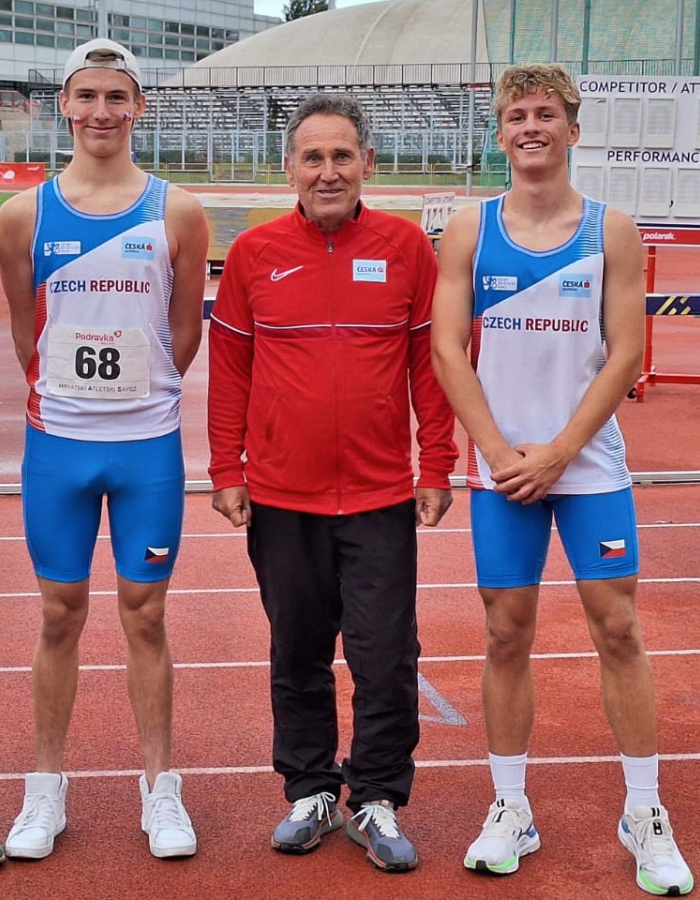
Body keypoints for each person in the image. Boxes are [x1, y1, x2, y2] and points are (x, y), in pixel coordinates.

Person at [430, 63, 694, 896]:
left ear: (572, 131)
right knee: (506, 633)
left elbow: (627, 354)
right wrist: (500, 451)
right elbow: (446, 348)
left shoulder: (610, 229)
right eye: (516, 115)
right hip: (500, 469)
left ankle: (644, 812)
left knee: (618, 629)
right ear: (501, 133)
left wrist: (557, 452)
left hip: (588, 466)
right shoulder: (471, 229)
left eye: (545, 113)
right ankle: (511, 807)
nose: (530, 126)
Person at [207, 93, 457, 873]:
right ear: (289, 168)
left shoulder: (408, 247)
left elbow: (431, 365)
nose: (327, 171)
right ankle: (311, 789)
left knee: (387, 655)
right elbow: (230, 370)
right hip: (282, 497)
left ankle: (376, 796)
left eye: (341, 155)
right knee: (298, 653)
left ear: (367, 165)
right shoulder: (253, 254)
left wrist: (437, 464)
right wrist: (226, 468)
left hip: (382, 496)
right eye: (312, 157)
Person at [0, 38, 209, 861]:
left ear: (138, 108)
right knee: (59, 615)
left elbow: (184, 332)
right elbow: (25, 333)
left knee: (145, 614)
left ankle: (161, 788)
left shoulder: (177, 211)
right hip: (59, 449)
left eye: (117, 97)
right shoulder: (23, 216)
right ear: (65, 107)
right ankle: (45, 788)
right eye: (86, 96)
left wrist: (140, 390)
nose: (101, 112)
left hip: (148, 444)